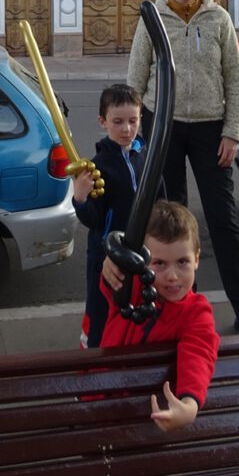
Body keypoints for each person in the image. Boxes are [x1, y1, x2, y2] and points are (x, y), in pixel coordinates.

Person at [127, 0, 239, 335]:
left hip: (209, 128)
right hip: (163, 126)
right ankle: (180, 309)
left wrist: (231, 133)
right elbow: (137, 74)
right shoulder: (153, 17)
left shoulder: (219, 19)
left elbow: (235, 81)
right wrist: (136, 130)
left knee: (223, 220)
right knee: (171, 223)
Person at [101, 200, 220, 433]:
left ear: (197, 259)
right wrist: (110, 266)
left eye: (182, 262)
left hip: (144, 415)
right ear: (144, 261)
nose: (172, 276)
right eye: (160, 264)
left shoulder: (195, 313)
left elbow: (199, 353)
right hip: (102, 399)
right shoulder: (133, 286)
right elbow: (109, 285)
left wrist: (189, 404)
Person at [72, 83, 164, 348]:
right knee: (102, 309)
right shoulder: (99, 166)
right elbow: (92, 219)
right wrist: (80, 197)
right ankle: (93, 354)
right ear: (103, 122)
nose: (126, 129)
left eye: (133, 121)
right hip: (106, 256)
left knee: (138, 307)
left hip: (143, 253)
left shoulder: (145, 156)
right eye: (118, 122)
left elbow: (159, 198)